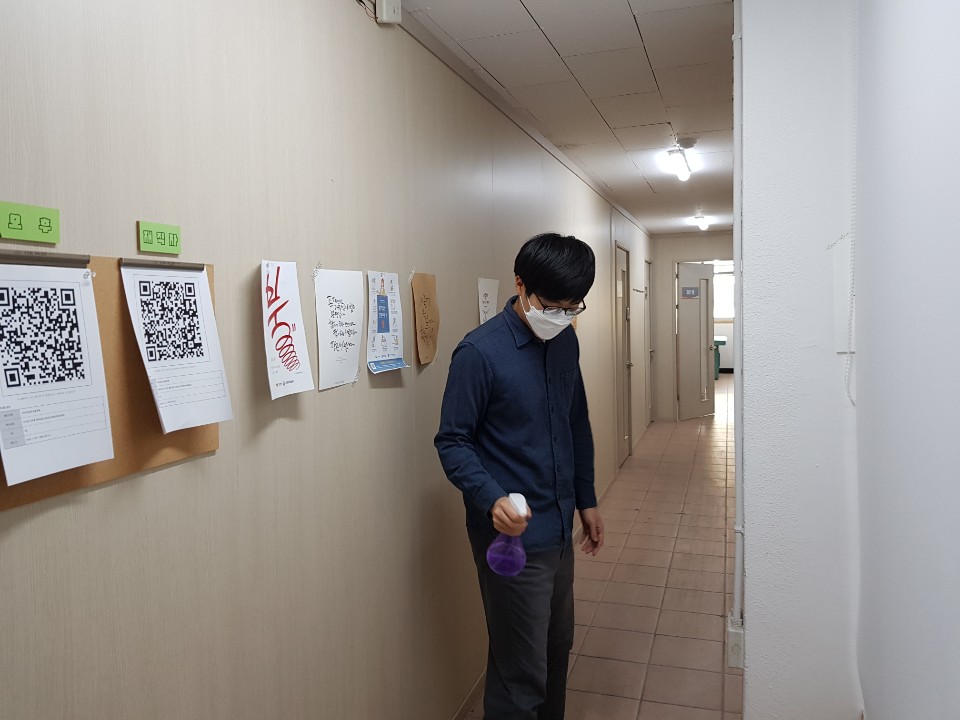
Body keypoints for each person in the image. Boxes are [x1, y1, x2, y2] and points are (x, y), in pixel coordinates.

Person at [434, 233, 604, 720]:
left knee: (556, 647)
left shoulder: (565, 339)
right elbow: (452, 441)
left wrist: (586, 499)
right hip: (509, 542)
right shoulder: (479, 353)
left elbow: (575, 422)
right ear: (520, 285)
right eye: (552, 306)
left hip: (559, 529)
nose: (562, 317)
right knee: (520, 671)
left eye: (573, 308)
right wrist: (491, 498)